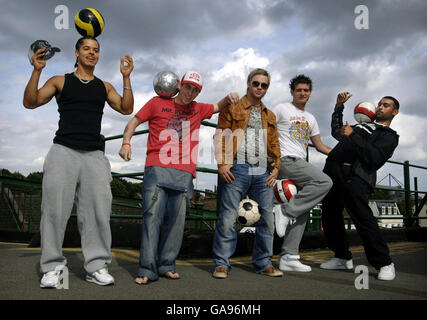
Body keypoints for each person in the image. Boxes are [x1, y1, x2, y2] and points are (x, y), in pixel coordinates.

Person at [23, 36, 134, 288]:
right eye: (86, 48)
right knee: (54, 211)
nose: (91, 53)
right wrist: (36, 71)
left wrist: (126, 77)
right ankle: (52, 268)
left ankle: (96, 267)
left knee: (97, 213)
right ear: (77, 52)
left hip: (94, 155)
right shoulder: (60, 81)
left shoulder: (104, 86)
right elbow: (30, 102)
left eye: (96, 50)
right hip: (63, 151)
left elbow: (126, 109)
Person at [119, 71, 239, 285]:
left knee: (176, 223)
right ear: (178, 86)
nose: (190, 92)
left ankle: (167, 265)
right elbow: (134, 122)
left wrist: (229, 97)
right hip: (157, 168)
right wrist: (126, 142)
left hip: (184, 174)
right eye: (187, 87)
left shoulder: (198, 108)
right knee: (151, 220)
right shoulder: (156, 103)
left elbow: (218, 106)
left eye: (195, 90)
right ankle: (146, 269)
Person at [320, 92, 400, 281]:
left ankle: (384, 263)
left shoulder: (388, 136)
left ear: (394, 112)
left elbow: (373, 157)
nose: (380, 107)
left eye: (386, 105)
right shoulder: (359, 126)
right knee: (330, 216)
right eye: (379, 103)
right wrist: (339, 107)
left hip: (355, 178)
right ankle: (341, 257)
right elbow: (336, 131)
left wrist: (354, 135)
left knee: (364, 220)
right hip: (333, 174)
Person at [212, 68, 283, 279]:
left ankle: (264, 263)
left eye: (264, 85)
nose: (260, 88)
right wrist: (223, 164)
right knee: (228, 217)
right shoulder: (233, 106)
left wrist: (276, 167)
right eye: (256, 83)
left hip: (263, 170)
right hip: (237, 167)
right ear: (248, 84)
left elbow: (275, 144)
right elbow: (220, 134)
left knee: (267, 219)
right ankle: (222, 264)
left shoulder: (269, 115)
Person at [272, 74, 333, 272]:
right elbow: (267, 131)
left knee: (303, 207)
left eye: (306, 90)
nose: (302, 93)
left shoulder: (311, 118)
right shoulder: (282, 108)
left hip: (299, 161)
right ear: (292, 92)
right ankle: (284, 211)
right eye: (299, 90)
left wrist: (342, 154)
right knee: (324, 182)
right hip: (285, 160)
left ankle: (289, 256)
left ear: (310, 93)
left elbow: (320, 145)